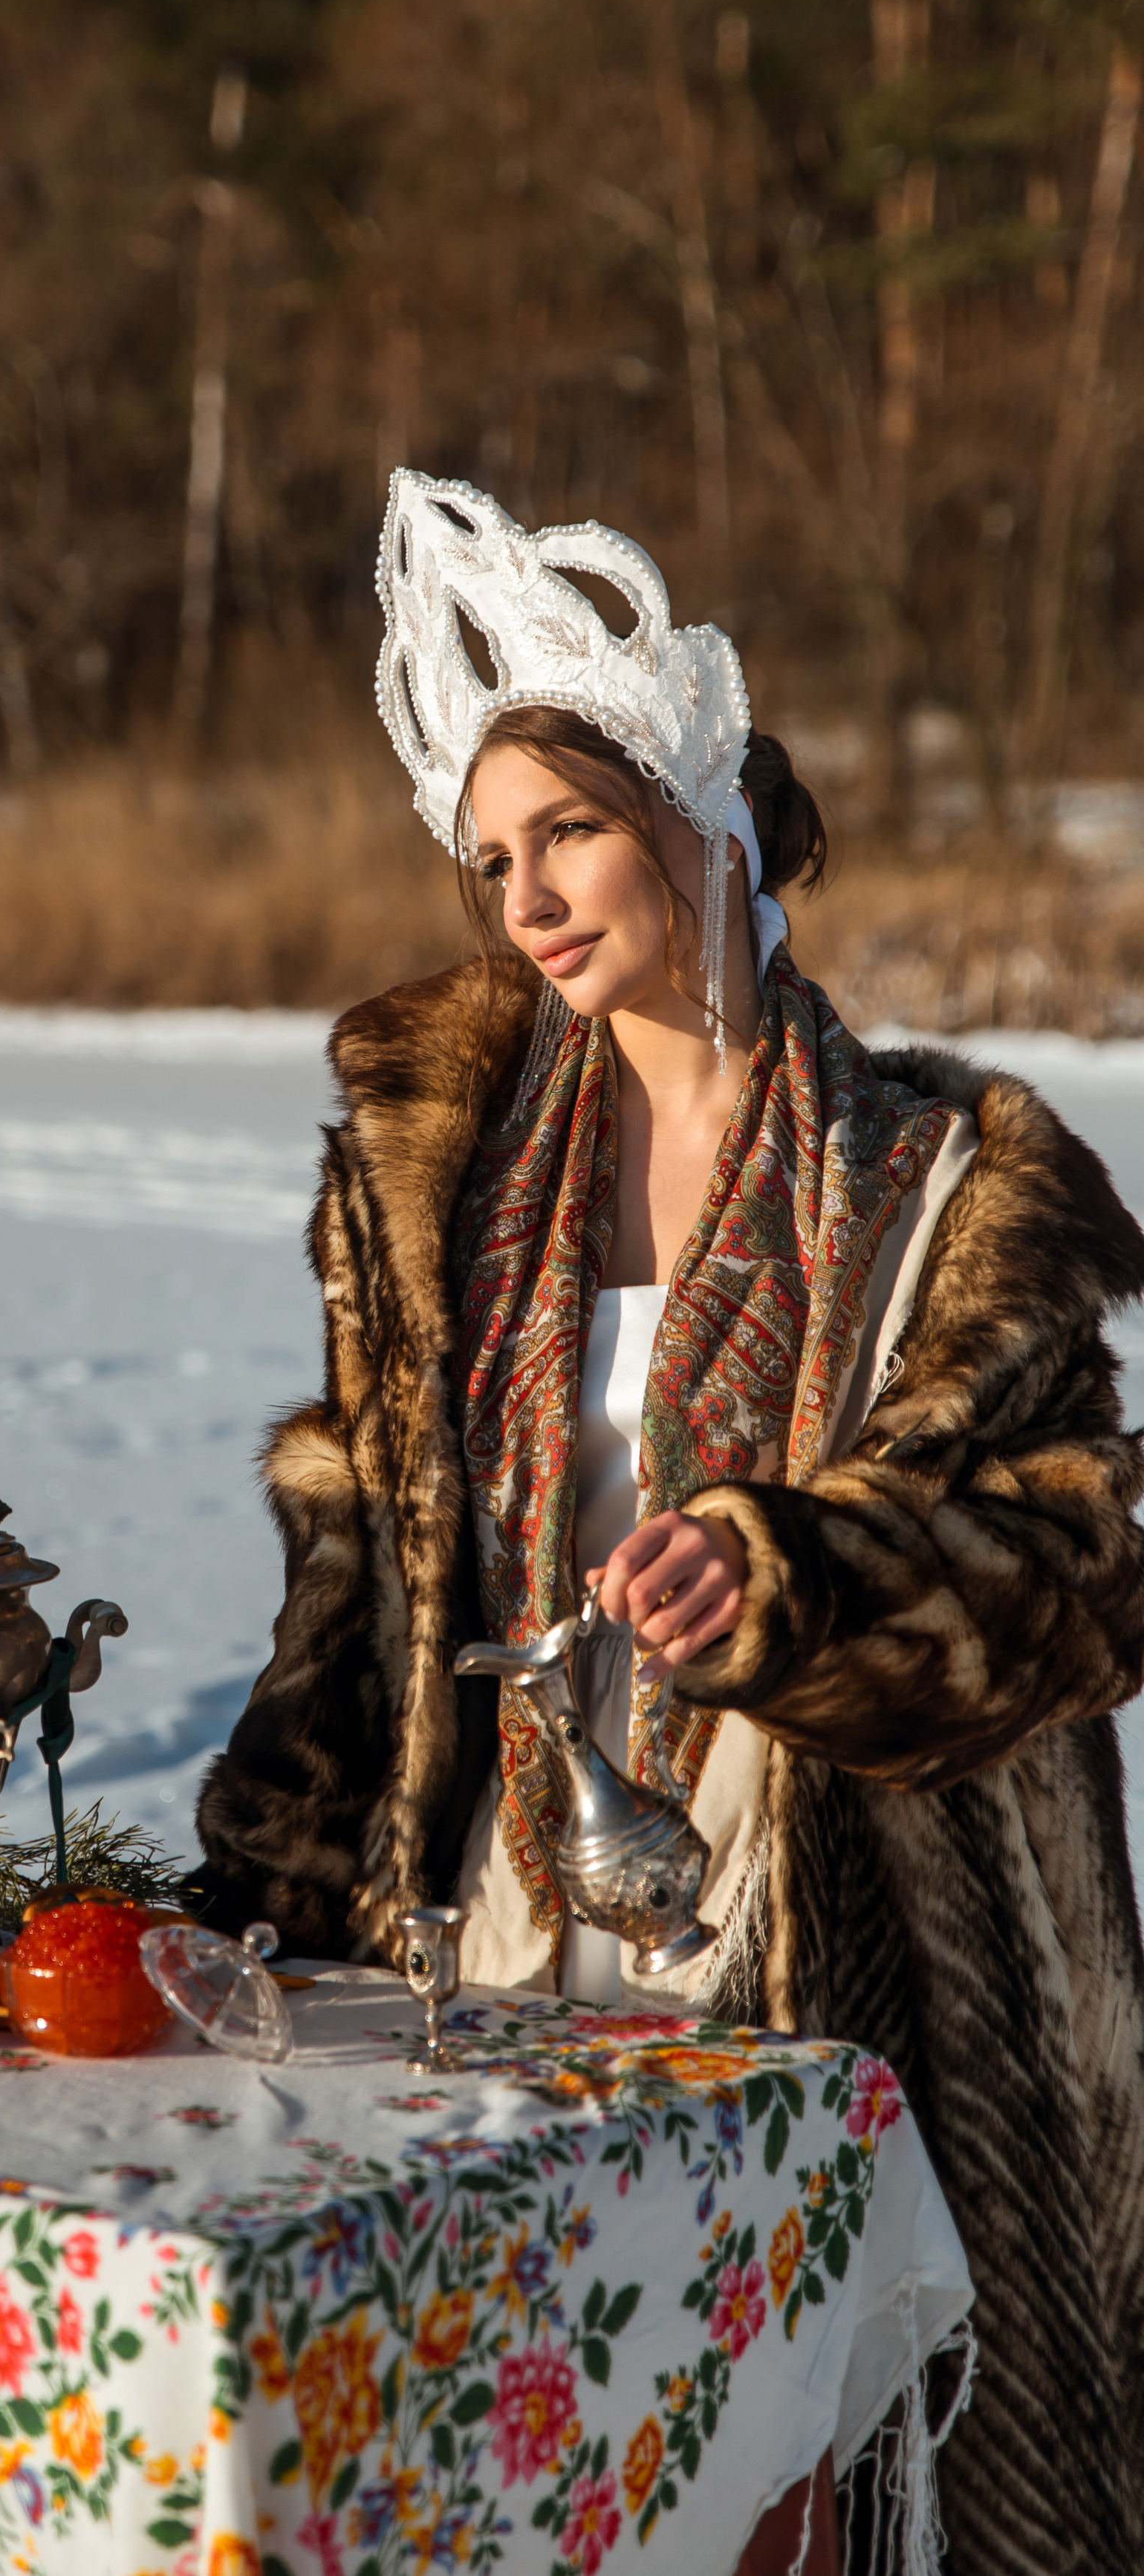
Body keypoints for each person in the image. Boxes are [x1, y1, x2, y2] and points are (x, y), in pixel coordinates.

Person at [196, 473, 1144, 2571]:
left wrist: (799, 1577)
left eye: (570, 834)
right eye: (491, 860)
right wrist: (246, 1892)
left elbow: (1088, 1575)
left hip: (831, 1927)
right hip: (505, 1913)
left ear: (698, 816)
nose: (527, 897)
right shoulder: (439, 1193)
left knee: (811, 2476)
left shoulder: (932, 1185)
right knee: (546, 2459)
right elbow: (359, 1592)